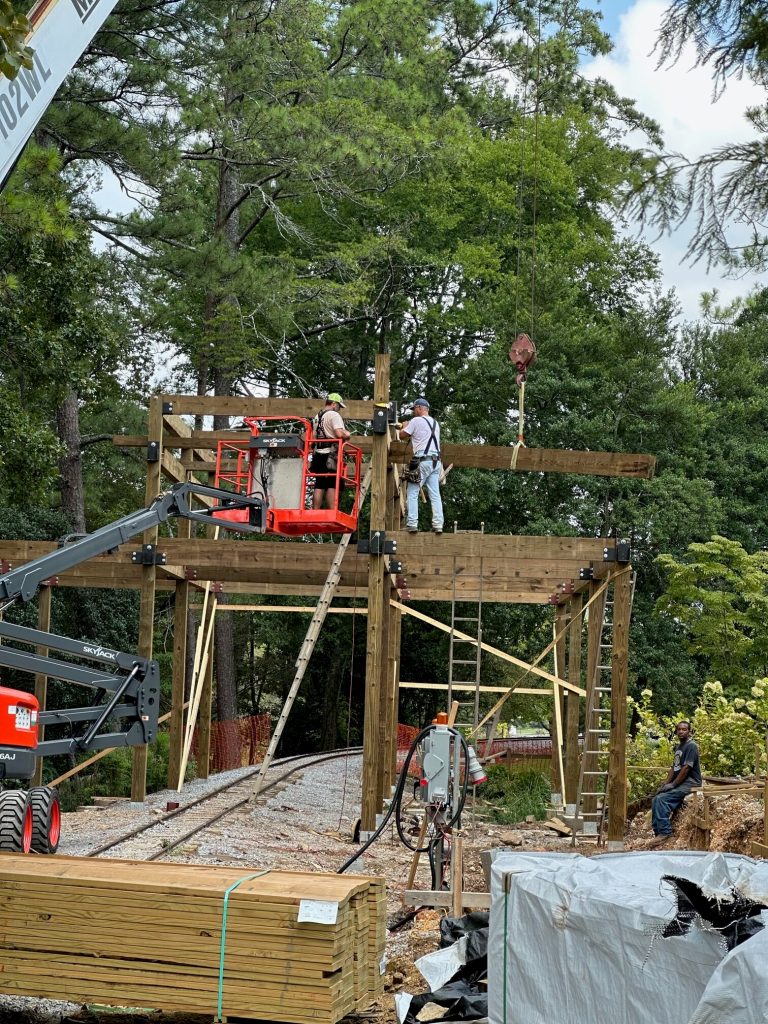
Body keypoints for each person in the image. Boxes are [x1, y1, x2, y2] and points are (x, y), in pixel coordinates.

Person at [648, 720, 702, 847]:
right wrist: (665, 784)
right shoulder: (679, 747)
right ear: (676, 731)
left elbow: (686, 768)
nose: (681, 731)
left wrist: (673, 785)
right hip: (681, 782)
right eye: (679, 729)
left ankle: (665, 833)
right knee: (656, 798)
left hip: (691, 782)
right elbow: (674, 768)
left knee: (662, 799)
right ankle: (658, 833)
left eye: (684, 729)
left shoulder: (692, 746)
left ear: (689, 732)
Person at [399, 396, 444, 534]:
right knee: (435, 494)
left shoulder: (416, 421)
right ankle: (438, 524)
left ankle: (412, 523)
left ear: (419, 408)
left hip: (422, 461)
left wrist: (405, 425)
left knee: (412, 492)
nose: (413, 412)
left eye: (414, 409)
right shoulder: (435, 423)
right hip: (436, 462)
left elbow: (401, 435)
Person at [312, 393, 350, 510]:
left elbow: (313, 437)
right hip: (330, 454)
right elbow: (339, 433)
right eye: (339, 406)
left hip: (318, 453)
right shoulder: (334, 415)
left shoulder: (317, 416)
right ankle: (332, 511)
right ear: (333, 404)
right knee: (332, 484)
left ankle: (315, 510)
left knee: (319, 484)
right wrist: (347, 434)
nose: (339, 409)